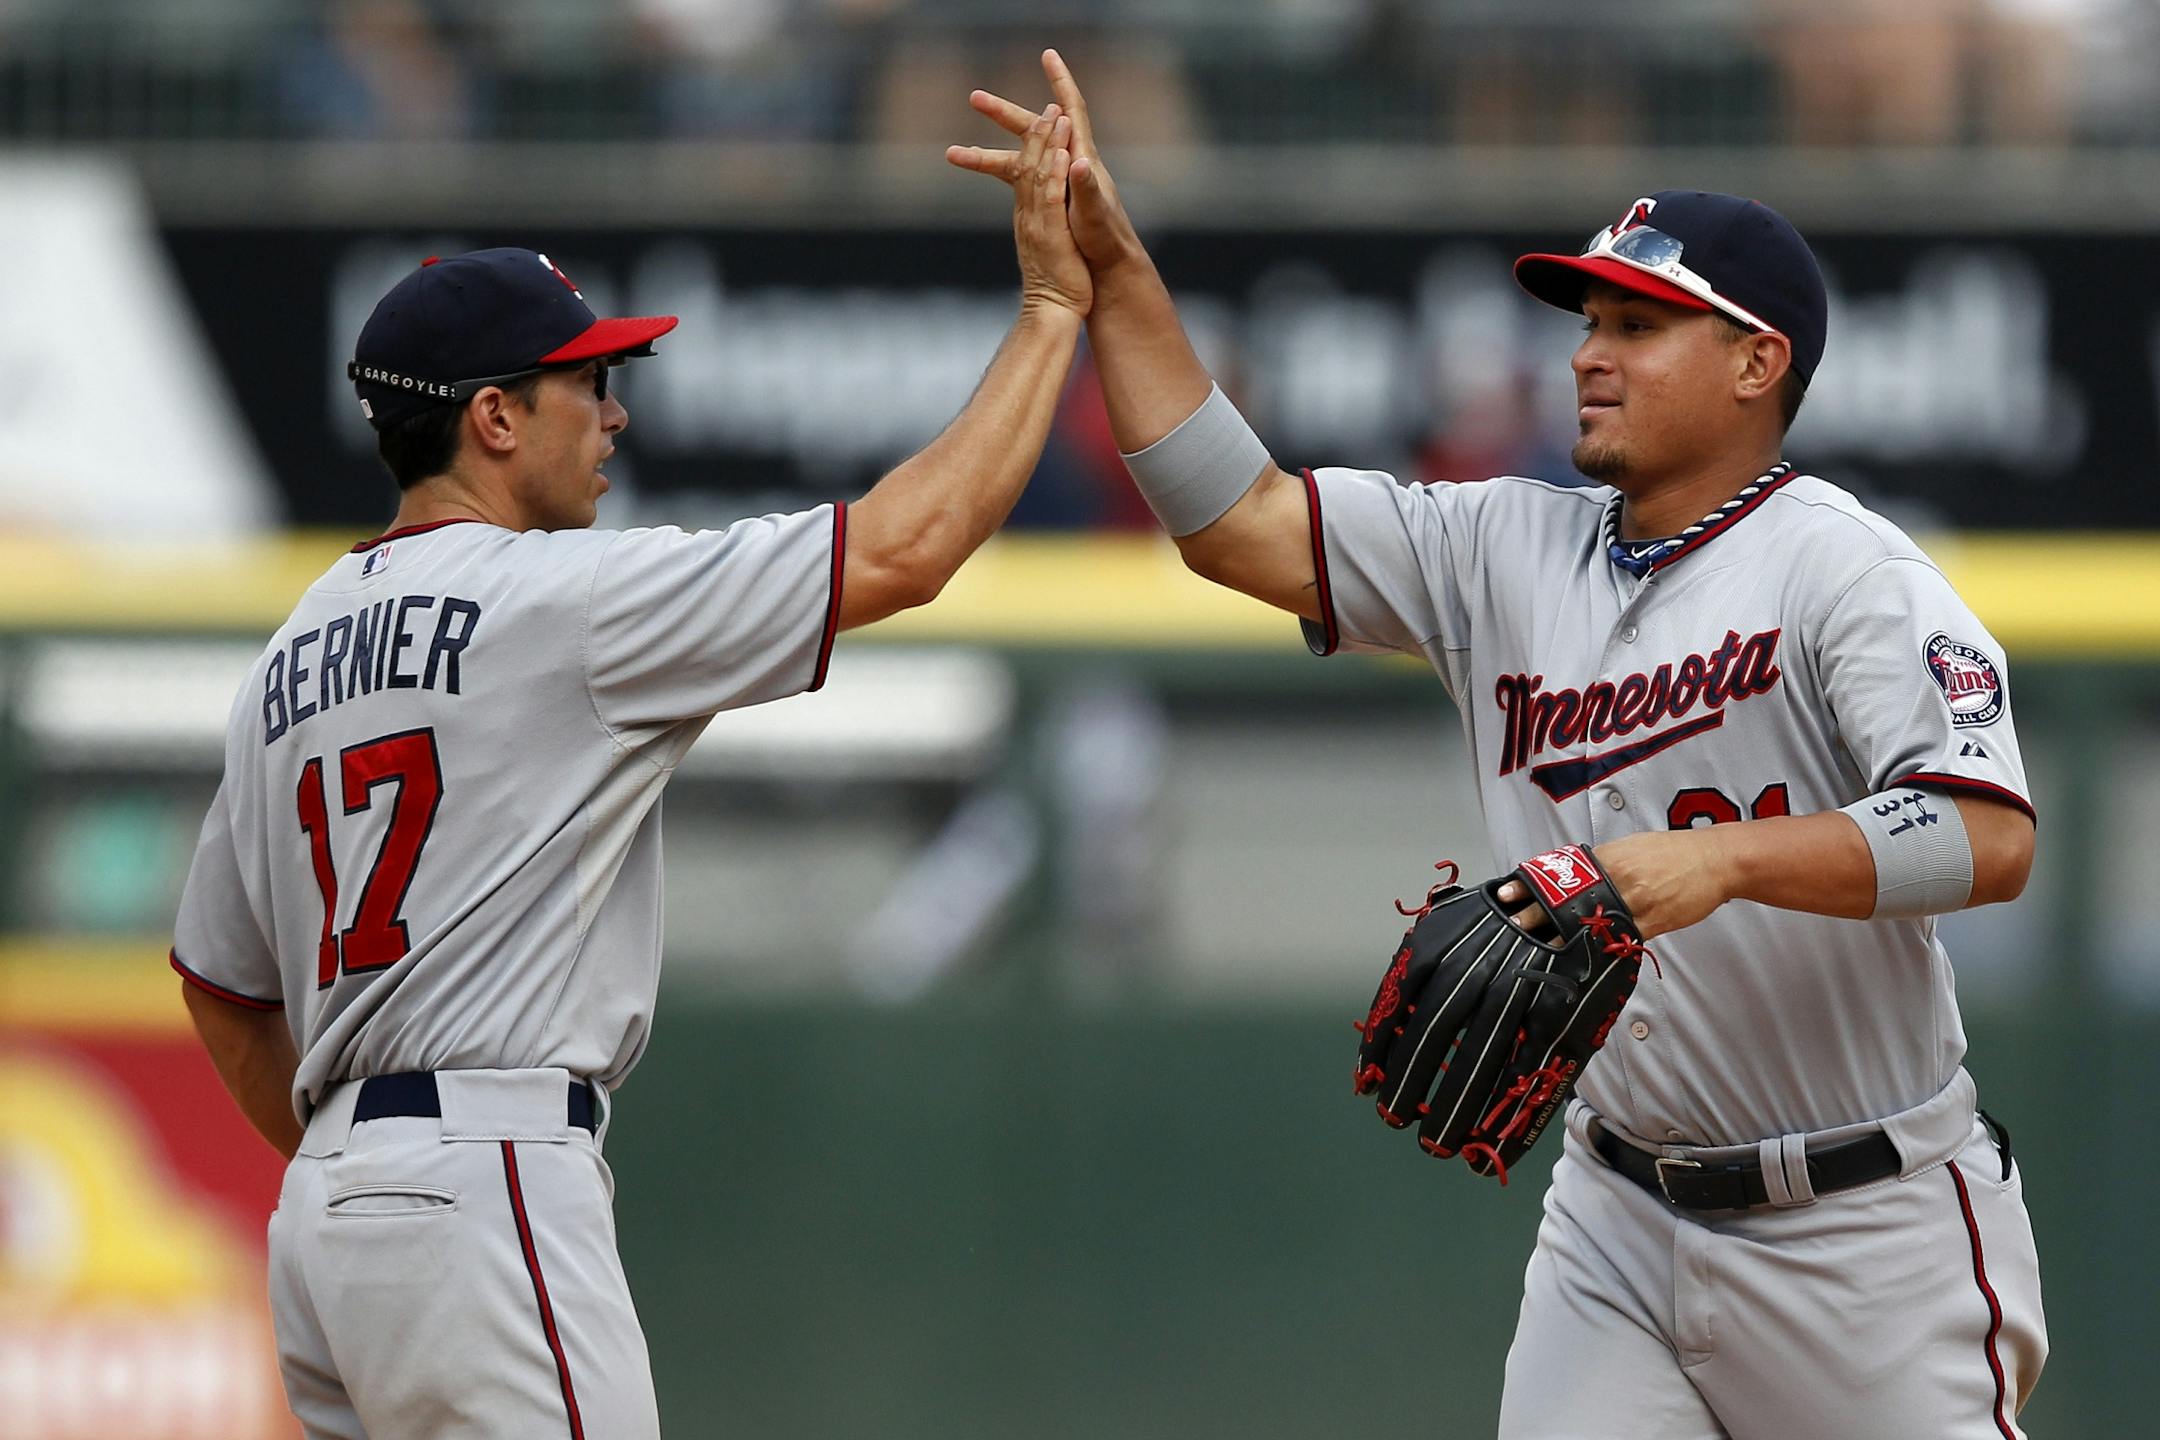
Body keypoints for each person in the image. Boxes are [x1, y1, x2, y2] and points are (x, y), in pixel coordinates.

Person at [952, 52, 2046, 1438]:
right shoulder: (1500, 545)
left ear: (1758, 362)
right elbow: (1234, 520)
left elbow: (1988, 833)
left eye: (1643, 325)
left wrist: (1710, 866)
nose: (1590, 351)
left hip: (1865, 1227)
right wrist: (1115, 271)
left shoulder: (1847, 571)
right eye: (1591, 317)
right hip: (1618, 1217)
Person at [171, 106, 1088, 1440]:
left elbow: (217, 985)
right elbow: (911, 545)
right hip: (486, 1173)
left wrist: (362, 1166)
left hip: (328, 1225)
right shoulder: (569, 599)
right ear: (493, 417)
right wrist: (1055, 305)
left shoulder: (292, 652)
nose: (612, 412)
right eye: (582, 384)